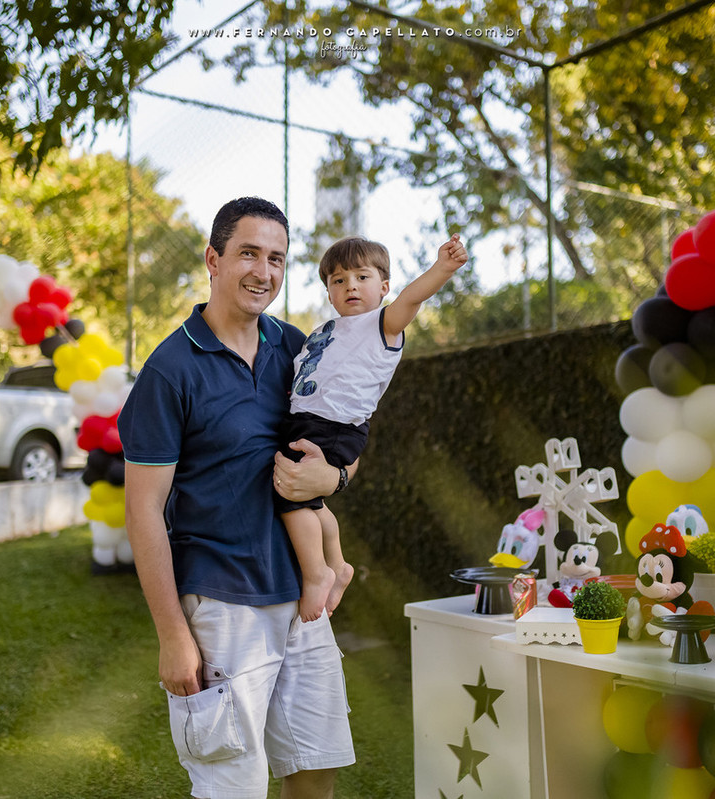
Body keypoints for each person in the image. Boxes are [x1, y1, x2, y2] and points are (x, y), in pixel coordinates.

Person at [118, 197, 355, 799]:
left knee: (315, 770)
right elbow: (143, 511)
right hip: (221, 603)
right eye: (248, 253)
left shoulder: (301, 349)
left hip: (303, 600)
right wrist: (173, 633)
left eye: (276, 259)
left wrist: (335, 481)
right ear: (213, 260)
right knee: (233, 787)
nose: (263, 272)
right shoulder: (170, 370)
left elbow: (344, 440)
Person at [278, 234, 469, 621]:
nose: (350, 286)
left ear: (383, 287)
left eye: (361, 277)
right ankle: (338, 564)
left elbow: (412, 298)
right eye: (338, 280)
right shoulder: (323, 332)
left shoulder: (383, 325)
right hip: (308, 420)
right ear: (329, 293)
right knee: (312, 502)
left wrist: (442, 269)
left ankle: (316, 574)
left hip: (333, 425)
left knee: (288, 496)